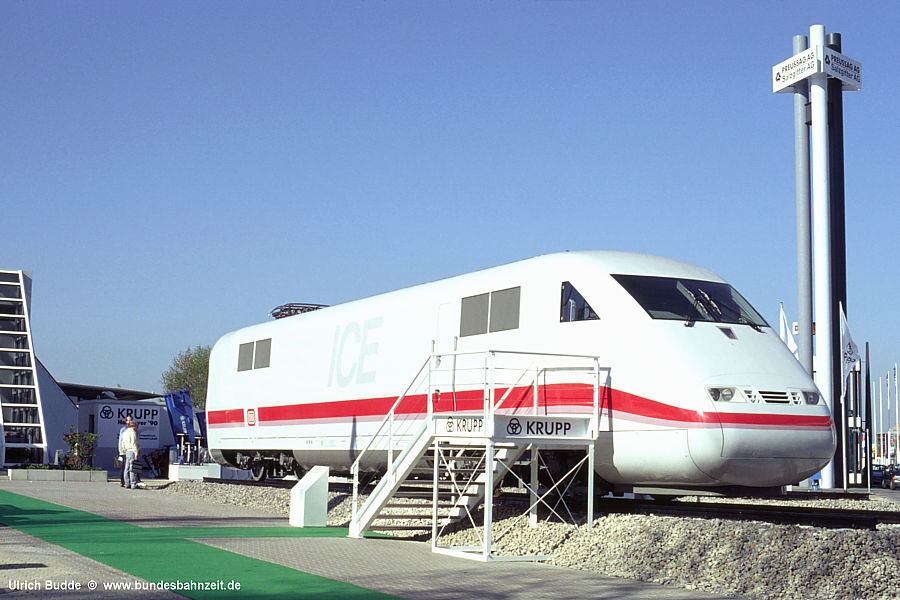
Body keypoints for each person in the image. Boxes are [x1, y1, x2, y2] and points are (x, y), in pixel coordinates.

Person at [120, 422, 141, 489]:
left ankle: (127, 483)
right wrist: (136, 453)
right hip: (132, 451)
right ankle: (133, 484)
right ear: (134, 426)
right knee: (133, 468)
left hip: (127, 451)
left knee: (126, 468)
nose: (137, 428)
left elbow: (122, 442)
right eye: (137, 426)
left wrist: (124, 450)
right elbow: (134, 443)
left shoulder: (125, 432)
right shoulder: (132, 432)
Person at [117, 415, 133, 487]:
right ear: (126, 421)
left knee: (130, 466)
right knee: (124, 467)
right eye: (128, 420)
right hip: (124, 451)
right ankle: (122, 481)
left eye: (130, 420)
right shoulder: (123, 429)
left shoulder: (133, 429)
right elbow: (120, 440)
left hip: (131, 450)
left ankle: (130, 481)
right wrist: (121, 450)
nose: (129, 421)